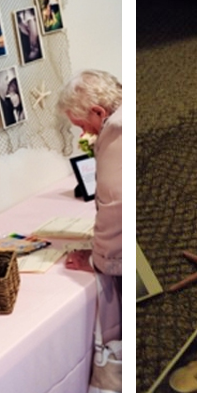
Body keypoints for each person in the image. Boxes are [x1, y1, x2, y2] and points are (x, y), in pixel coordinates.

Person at [57, 70, 122, 277]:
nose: (84, 134)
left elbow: (115, 206)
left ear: (98, 112)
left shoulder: (116, 131)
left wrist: (98, 259)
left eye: (82, 125)